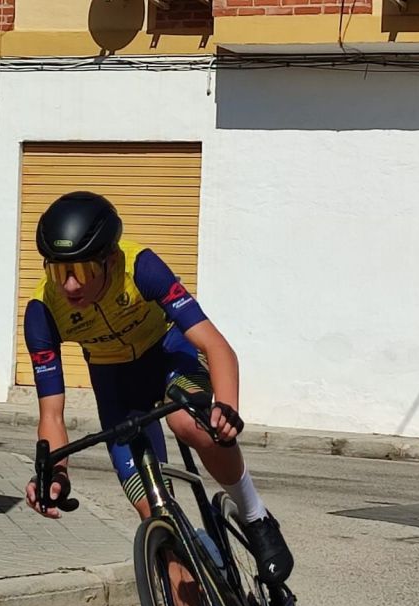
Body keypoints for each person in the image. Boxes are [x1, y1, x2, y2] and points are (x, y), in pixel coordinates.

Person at [22, 191, 293, 585]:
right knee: (157, 523)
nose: (70, 284)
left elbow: (216, 346)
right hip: (116, 384)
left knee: (189, 424)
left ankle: (256, 518)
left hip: (169, 354)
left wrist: (226, 407)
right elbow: (51, 415)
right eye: (57, 271)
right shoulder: (42, 311)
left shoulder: (140, 267)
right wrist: (56, 473)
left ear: (110, 260)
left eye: (82, 269)